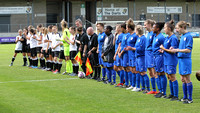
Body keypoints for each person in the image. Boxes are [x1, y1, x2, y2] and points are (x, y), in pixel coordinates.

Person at [172, 21, 193, 104]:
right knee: (182, 79)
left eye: (177, 28)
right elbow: (181, 48)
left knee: (187, 79)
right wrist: (175, 49)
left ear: (182, 28)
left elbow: (188, 50)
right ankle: (185, 97)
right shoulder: (183, 36)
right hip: (180, 59)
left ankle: (190, 98)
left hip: (186, 60)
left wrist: (177, 50)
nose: (177, 30)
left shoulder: (188, 36)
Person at [160, 20, 179, 101]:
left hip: (171, 60)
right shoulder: (167, 38)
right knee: (168, 76)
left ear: (169, 28)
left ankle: (176, 95)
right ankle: (172, 94)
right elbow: (167, 49)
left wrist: (163, 48)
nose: (164, 29)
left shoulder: (173, 38)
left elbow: (173, 50)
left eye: (165, 28)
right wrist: (163, 50)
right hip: (166, 59)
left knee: (172, 77)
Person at [152, 22, 167, 98]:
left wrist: (163, 50)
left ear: (157, 29)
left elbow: (165, 46)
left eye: (154, 27)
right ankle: (160, 90)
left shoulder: (161, 37)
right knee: (157, 73)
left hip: (160, 56)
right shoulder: (155, 36)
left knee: (161, 73)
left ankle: (163, 92)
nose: (152, 29)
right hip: (155, 56)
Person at [144, 19, 158, 94]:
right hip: (147, 54)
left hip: (151, 54)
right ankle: (153, 89)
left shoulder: (153, 33)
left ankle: (159, 89)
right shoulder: (148, 33)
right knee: (150, 72)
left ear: (149, 24)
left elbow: (154, 45)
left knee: (154, 72)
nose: (144, 26)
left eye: (145, 24)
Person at [124, 18, 139, 91]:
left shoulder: (135, 35)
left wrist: (131, 48)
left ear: (129, 28)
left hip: (134, 55)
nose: (126, 28)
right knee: (131, 70)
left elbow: (137, 46)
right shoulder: (129, 35)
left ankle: (137, 85)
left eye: (127, 27)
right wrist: (127, 48)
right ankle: (133, 84)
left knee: (135, 70)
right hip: (129, 55)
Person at [118, 23, 130, 88]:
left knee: (127, 68)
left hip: (126, 54)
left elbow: (126, 46)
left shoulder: (128, 35)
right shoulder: (123, 35)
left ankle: (129, 83)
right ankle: (126, 83)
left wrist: (121, 52)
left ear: (123, 28)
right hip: (122, 54)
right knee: (124, 68)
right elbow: (121, 45)